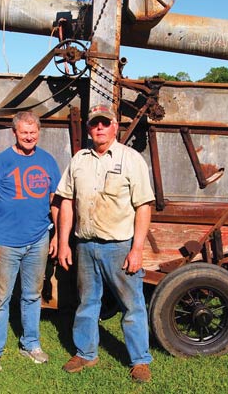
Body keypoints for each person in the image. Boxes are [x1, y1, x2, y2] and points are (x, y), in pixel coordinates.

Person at [56, 103, 155, 383]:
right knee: (87, 302)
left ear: (115, 127)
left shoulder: (131, 159)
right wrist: (64, 243)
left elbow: (144, 206)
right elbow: (66, 202)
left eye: (105, 123)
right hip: (86, 246)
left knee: (131, 305)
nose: (99, 128)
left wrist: (137, 249)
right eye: (94, 124)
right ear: (89, 128)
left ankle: (140, 361)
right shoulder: (79, 160)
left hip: (119, 247)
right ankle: (86, 353)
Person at [0, 111, 60, 373]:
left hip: (38, 239)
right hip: (6, 242)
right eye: (24, 132)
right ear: (14, 132)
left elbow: (54, 201)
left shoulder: (47, 161)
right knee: (0, 298)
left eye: (33, 132)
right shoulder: (1, 162)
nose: (29, 136)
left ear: (38, 132)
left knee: (32, 295)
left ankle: (31, 344)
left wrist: (57, 234)